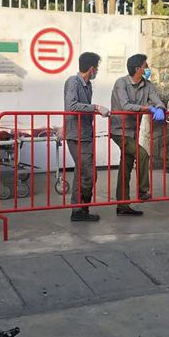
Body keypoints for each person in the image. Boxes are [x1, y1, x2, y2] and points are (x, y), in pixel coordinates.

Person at [110, 54, 165, 216]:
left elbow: (157, 100)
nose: (148, 70)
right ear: (137, 69)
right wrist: (148, 109)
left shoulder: (147, 85)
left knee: (125, 167)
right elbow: (126, 106)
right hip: (120, 131)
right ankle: (142, 191)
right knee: (142, 155)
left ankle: (122, 205)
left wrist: (160, 108)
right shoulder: (121, 83)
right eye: (145, 66)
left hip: (133, 131)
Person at [63, 52, 109, 222]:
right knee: (89, 173)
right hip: (77, 135)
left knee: (82, 172)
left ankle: (79, 209)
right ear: (91, 69)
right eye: (96, 67)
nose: (97, 71)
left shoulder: (87, 85)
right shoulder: (73, 82)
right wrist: (95, 107)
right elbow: (72, 106)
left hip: (85, 134)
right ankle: (80, 209)